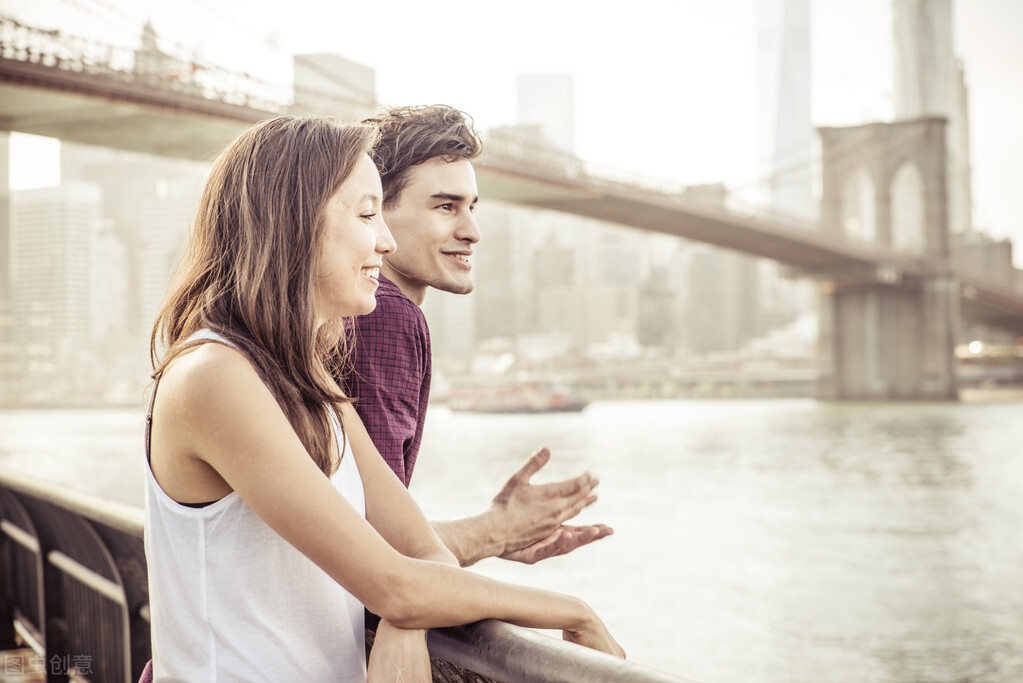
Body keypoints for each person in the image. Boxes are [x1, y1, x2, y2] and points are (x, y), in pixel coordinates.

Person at [143, 115, 623, 682]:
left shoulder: (313, 382)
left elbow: (419, 558)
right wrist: (574, 611)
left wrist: (408, 613)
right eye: (368, 214)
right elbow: (394, 582)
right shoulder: (213, 375)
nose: (386, 241)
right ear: (294, 223)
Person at [343, 105, 612, 567]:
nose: (473, 232)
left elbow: (352, 521)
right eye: (446, 207)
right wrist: (496, 531)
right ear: (374, 212)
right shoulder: (385, 312)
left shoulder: (355, 310)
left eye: (472, 208)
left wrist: (496, 535)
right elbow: (378, 548)